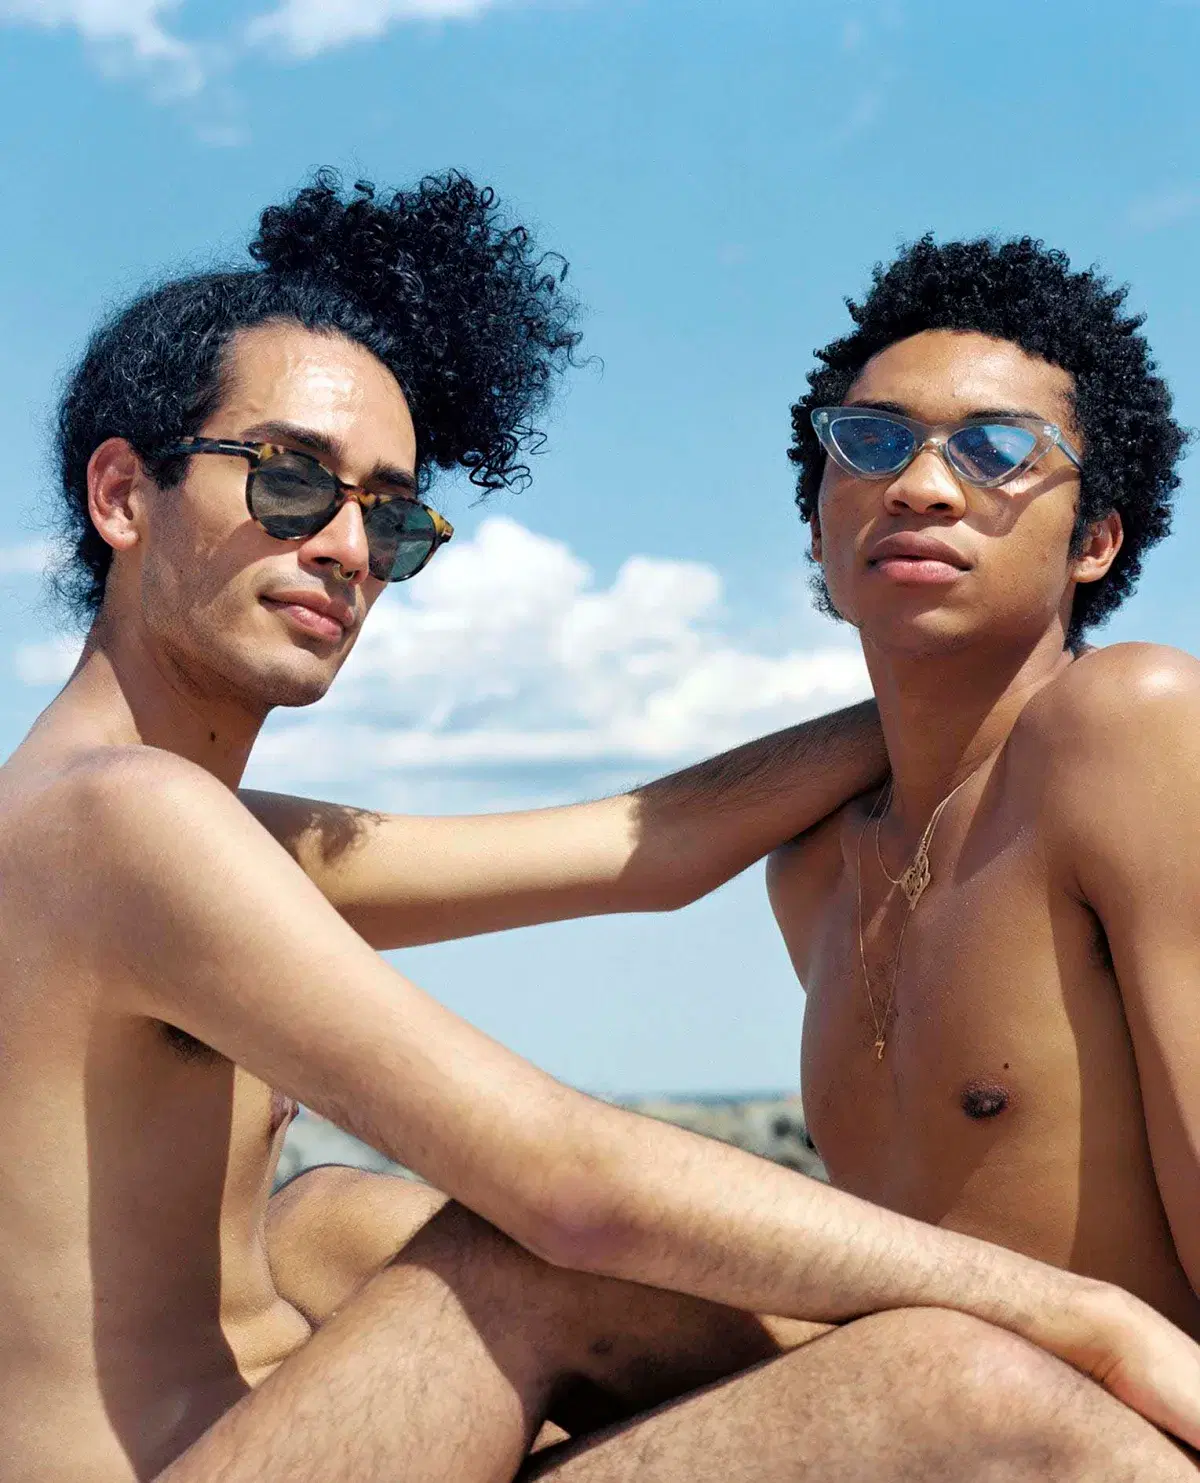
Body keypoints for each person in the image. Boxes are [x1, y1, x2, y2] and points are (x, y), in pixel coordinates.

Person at [8, 173, 1198, 1482]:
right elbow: (567, 1176)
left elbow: (657, 840)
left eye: (391, 516)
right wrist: (1089, 1321)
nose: (348, 546)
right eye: (291, 483)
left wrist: (966, 714)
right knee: (931, 1376)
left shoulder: (179, 833)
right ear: (122, 495)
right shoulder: (119, 823)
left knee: (327, 1220)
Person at [764, 236, 1200, 1344]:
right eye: (871, 442)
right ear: (819, 521)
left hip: (1117, 1435)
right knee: (369, 1224)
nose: (918, 487)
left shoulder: (1131, 727)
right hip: (895, 1424)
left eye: (998, 451)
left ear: (1096, 539)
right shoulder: (812, 864)